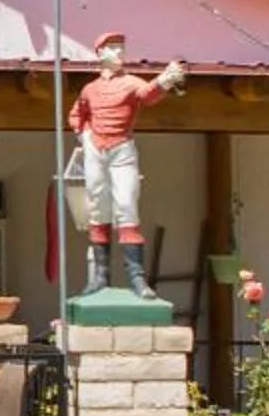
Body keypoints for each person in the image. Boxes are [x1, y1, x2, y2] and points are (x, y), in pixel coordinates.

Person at [68, 30, 184, 296]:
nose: (119, 52)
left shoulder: (131, 82)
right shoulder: (90, 88)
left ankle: (137, 279)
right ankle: (100, 278)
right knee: (98, 207)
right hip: (96, 149)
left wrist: (164, 81)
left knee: (127, 205)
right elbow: (77, 114)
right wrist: (84, 136)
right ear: (100, 53)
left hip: (121, 148)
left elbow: (147, 95)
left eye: (121, 47)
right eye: (113, 48)